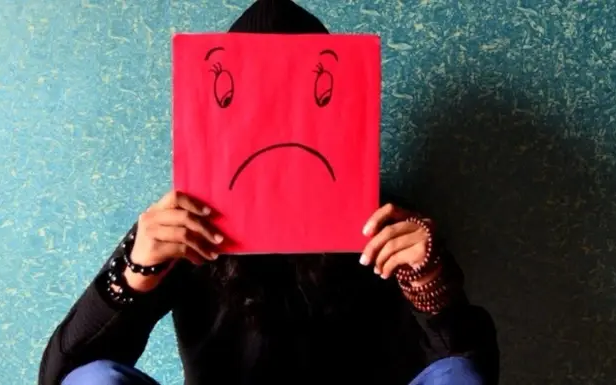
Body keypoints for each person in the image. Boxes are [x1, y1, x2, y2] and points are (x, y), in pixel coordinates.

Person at [37, 1, 498, 385]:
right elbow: (63, 375)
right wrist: (138, 268)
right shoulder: (184, 225)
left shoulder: (382, 222)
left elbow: (468, 371)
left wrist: (431, 280)